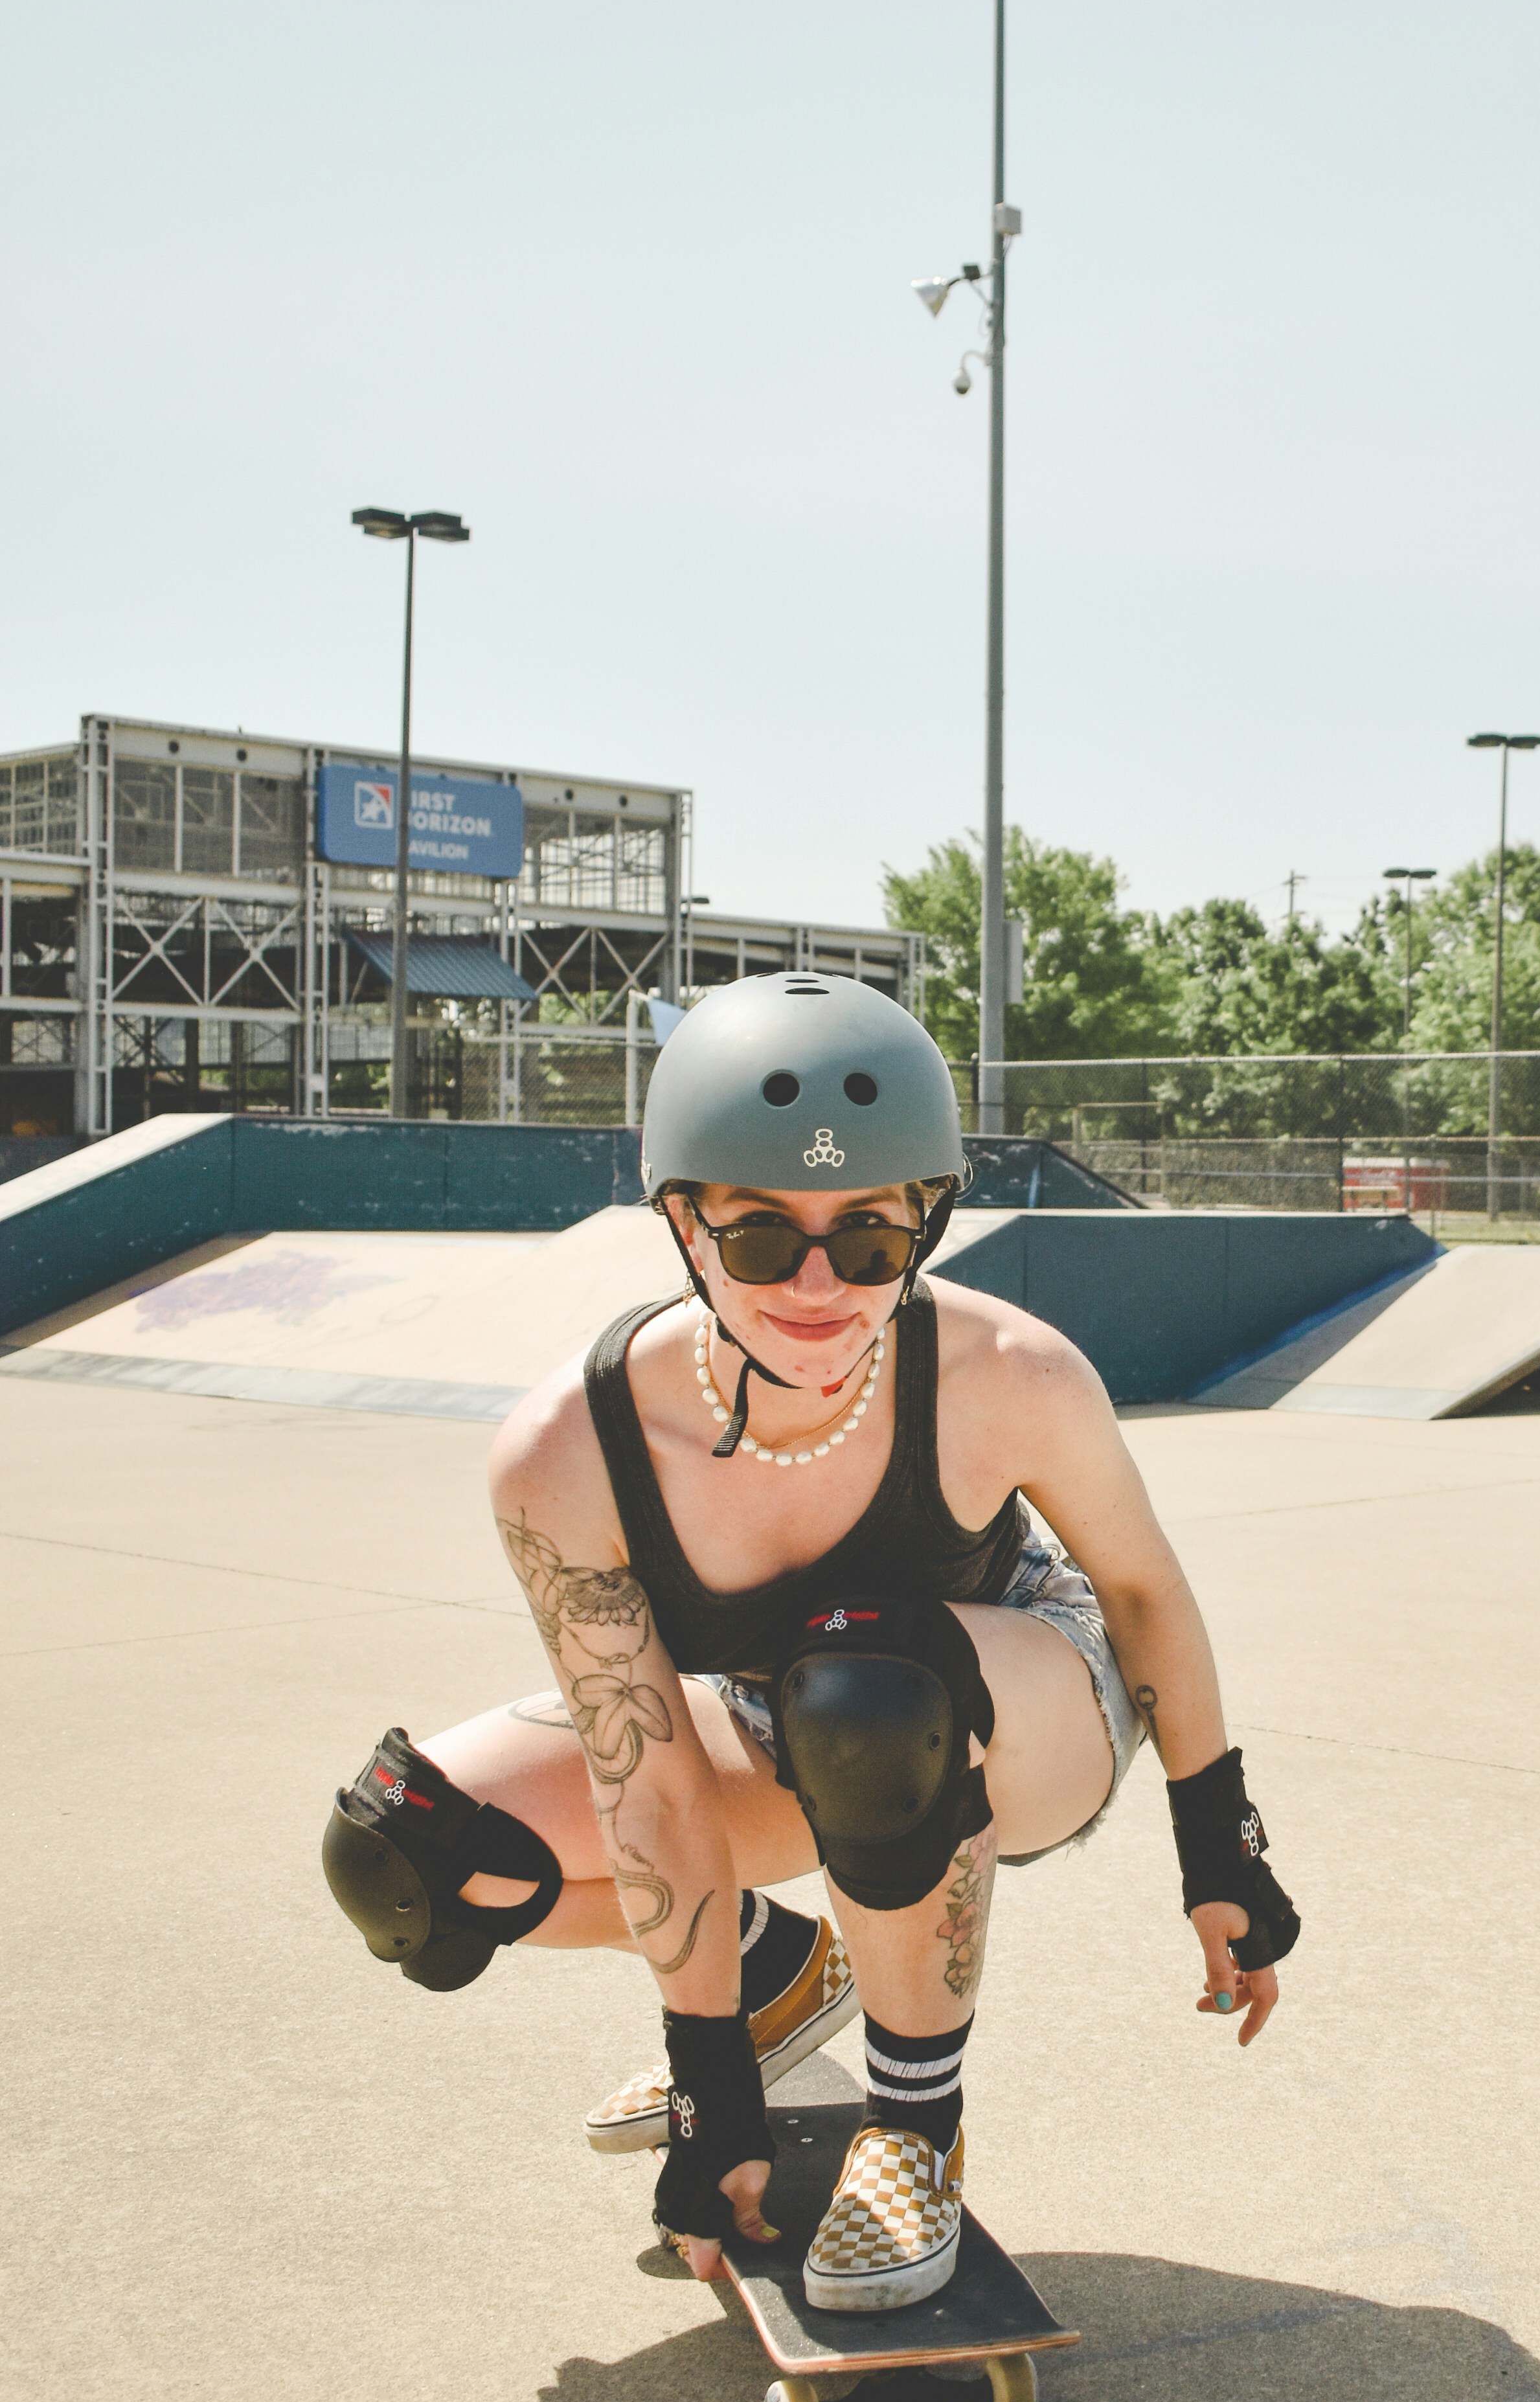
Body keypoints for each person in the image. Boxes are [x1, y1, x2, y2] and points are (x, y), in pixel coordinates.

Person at [320, 969, 1298, 2309]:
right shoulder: (571, 1452)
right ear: (681, 1222)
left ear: (925, 1226)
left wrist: (1218, 1848)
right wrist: (711, 2087)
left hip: (1026, 1697)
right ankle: (783, 1974)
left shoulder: (1009, 1375)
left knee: (865, 1687)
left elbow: (1140, 1595)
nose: (822, 1288)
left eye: (874, 1242)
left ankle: (914, 2128)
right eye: (766, 1241)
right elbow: (642, 1771)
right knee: (408, 1846)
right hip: (787, 1715)